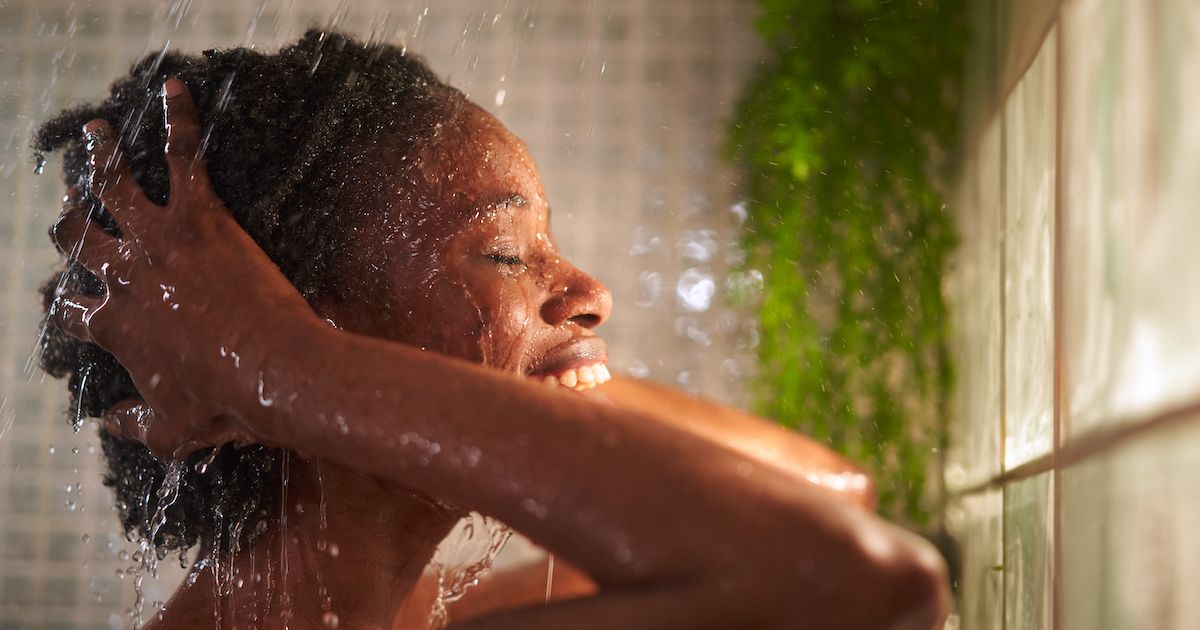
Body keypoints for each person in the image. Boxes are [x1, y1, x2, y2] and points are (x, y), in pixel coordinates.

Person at [38, 31, 948, 629]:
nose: (592, 293)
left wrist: (281, 365)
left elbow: (830, 496)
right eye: (507, 254)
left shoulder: (418, 614)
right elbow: (856, 585)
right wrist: (283, 366)